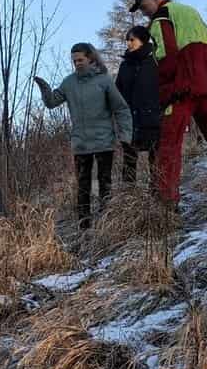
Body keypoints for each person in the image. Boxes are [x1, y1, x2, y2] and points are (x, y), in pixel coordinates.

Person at [128, 0, 207, 209]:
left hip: (180, 89)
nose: (144, 12)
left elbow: (166, 57)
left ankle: (165, 205)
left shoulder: (162, 17)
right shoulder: (190, 11)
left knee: (168, 145)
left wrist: (162, 91)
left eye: (144, 7)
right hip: (205, 84)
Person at [34, 42, 134, 231]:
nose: (77, 63)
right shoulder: (69, 82)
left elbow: (120, 108)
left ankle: (106, 222)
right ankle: (84, 226)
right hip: (80, 143)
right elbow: (52, 102)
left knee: (105, 183)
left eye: (80, 59)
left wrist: (125, 135)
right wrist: (44, 88)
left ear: (90, 58)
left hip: (104, 140)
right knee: (83, 185)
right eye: (74, 61)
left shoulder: (103, 80)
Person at [115, 25, 162, 189]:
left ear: (143, 40)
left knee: (156, 160)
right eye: (127, 40)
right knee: (128, 161)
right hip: (129, 121)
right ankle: (128, 199)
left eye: (132, 39)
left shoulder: (156, 60)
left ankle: (158, 196)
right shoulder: (124, 66)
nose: (128, 43)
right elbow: (117, 93)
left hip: (153, 118)